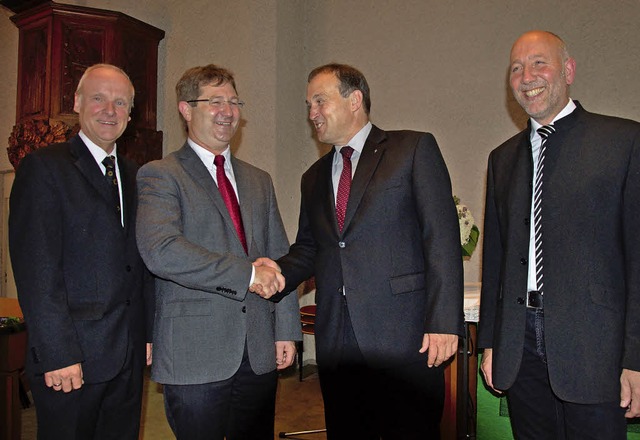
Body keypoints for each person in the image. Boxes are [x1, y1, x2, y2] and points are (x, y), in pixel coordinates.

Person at [254, 63, 463, 439]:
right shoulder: (312, 177)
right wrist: (275, 272)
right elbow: (308, 248)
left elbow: (442, 238)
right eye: (308, 105)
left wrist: (444, 321)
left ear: (355, 100)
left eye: (320, 101)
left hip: (404, 334)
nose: (311, 113)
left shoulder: (412, 148)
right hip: (338, 339)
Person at [478, 30, 640, 439]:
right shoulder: (502, 159)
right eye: (516, 68)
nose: (526, 75)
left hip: (595, 350)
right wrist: (492, 343)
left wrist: (636, 357)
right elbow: (496, 262)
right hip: (520, 346)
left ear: (567, 70)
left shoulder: (624, 142)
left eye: (538, 63)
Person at [135, 64, 301, 440]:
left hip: (258, 352)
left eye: (233, 101)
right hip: (195, 354)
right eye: (215, 101)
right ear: (185, 109)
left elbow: (278, 254)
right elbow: (162, 251)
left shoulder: (259, 180)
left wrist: (286, 330)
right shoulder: (161, 174)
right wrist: (246, 274)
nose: (228, 111)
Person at [9, 64, 154, 439]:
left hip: (127, 355)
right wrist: (58, 353)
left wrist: (148, 334)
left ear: (130, 113)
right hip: (71, 360)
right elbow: (37, 271)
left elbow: (139, 264)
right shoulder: (44, 168)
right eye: (98, 98)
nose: (110, 110)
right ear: (76, 103)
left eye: (120, 102)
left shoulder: (137, 176)